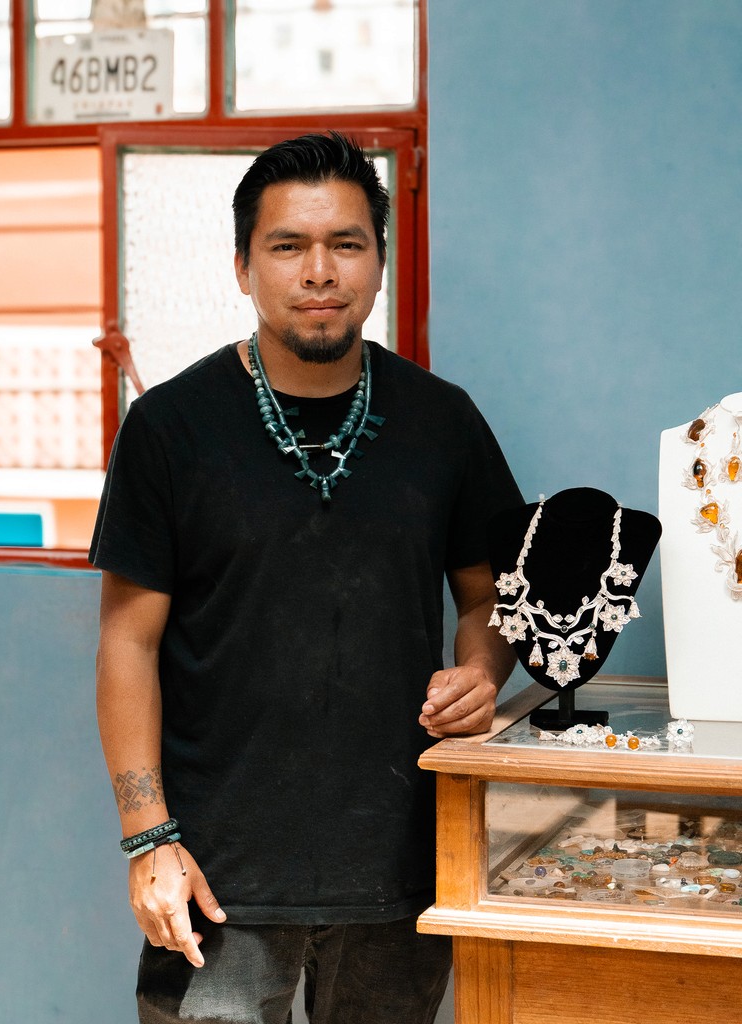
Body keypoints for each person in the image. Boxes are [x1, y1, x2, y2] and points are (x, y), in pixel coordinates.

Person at [92, 131, 522, 1024]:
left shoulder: (443, 422)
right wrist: (148, 838)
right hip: (216, 878)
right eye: (288, 246)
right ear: (245, 266)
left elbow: (488, 599)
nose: (319, 271)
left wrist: (482, 674)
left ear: (379, 263)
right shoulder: (171, 429)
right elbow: (127, 642)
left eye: (346, 244)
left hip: (403, 869)